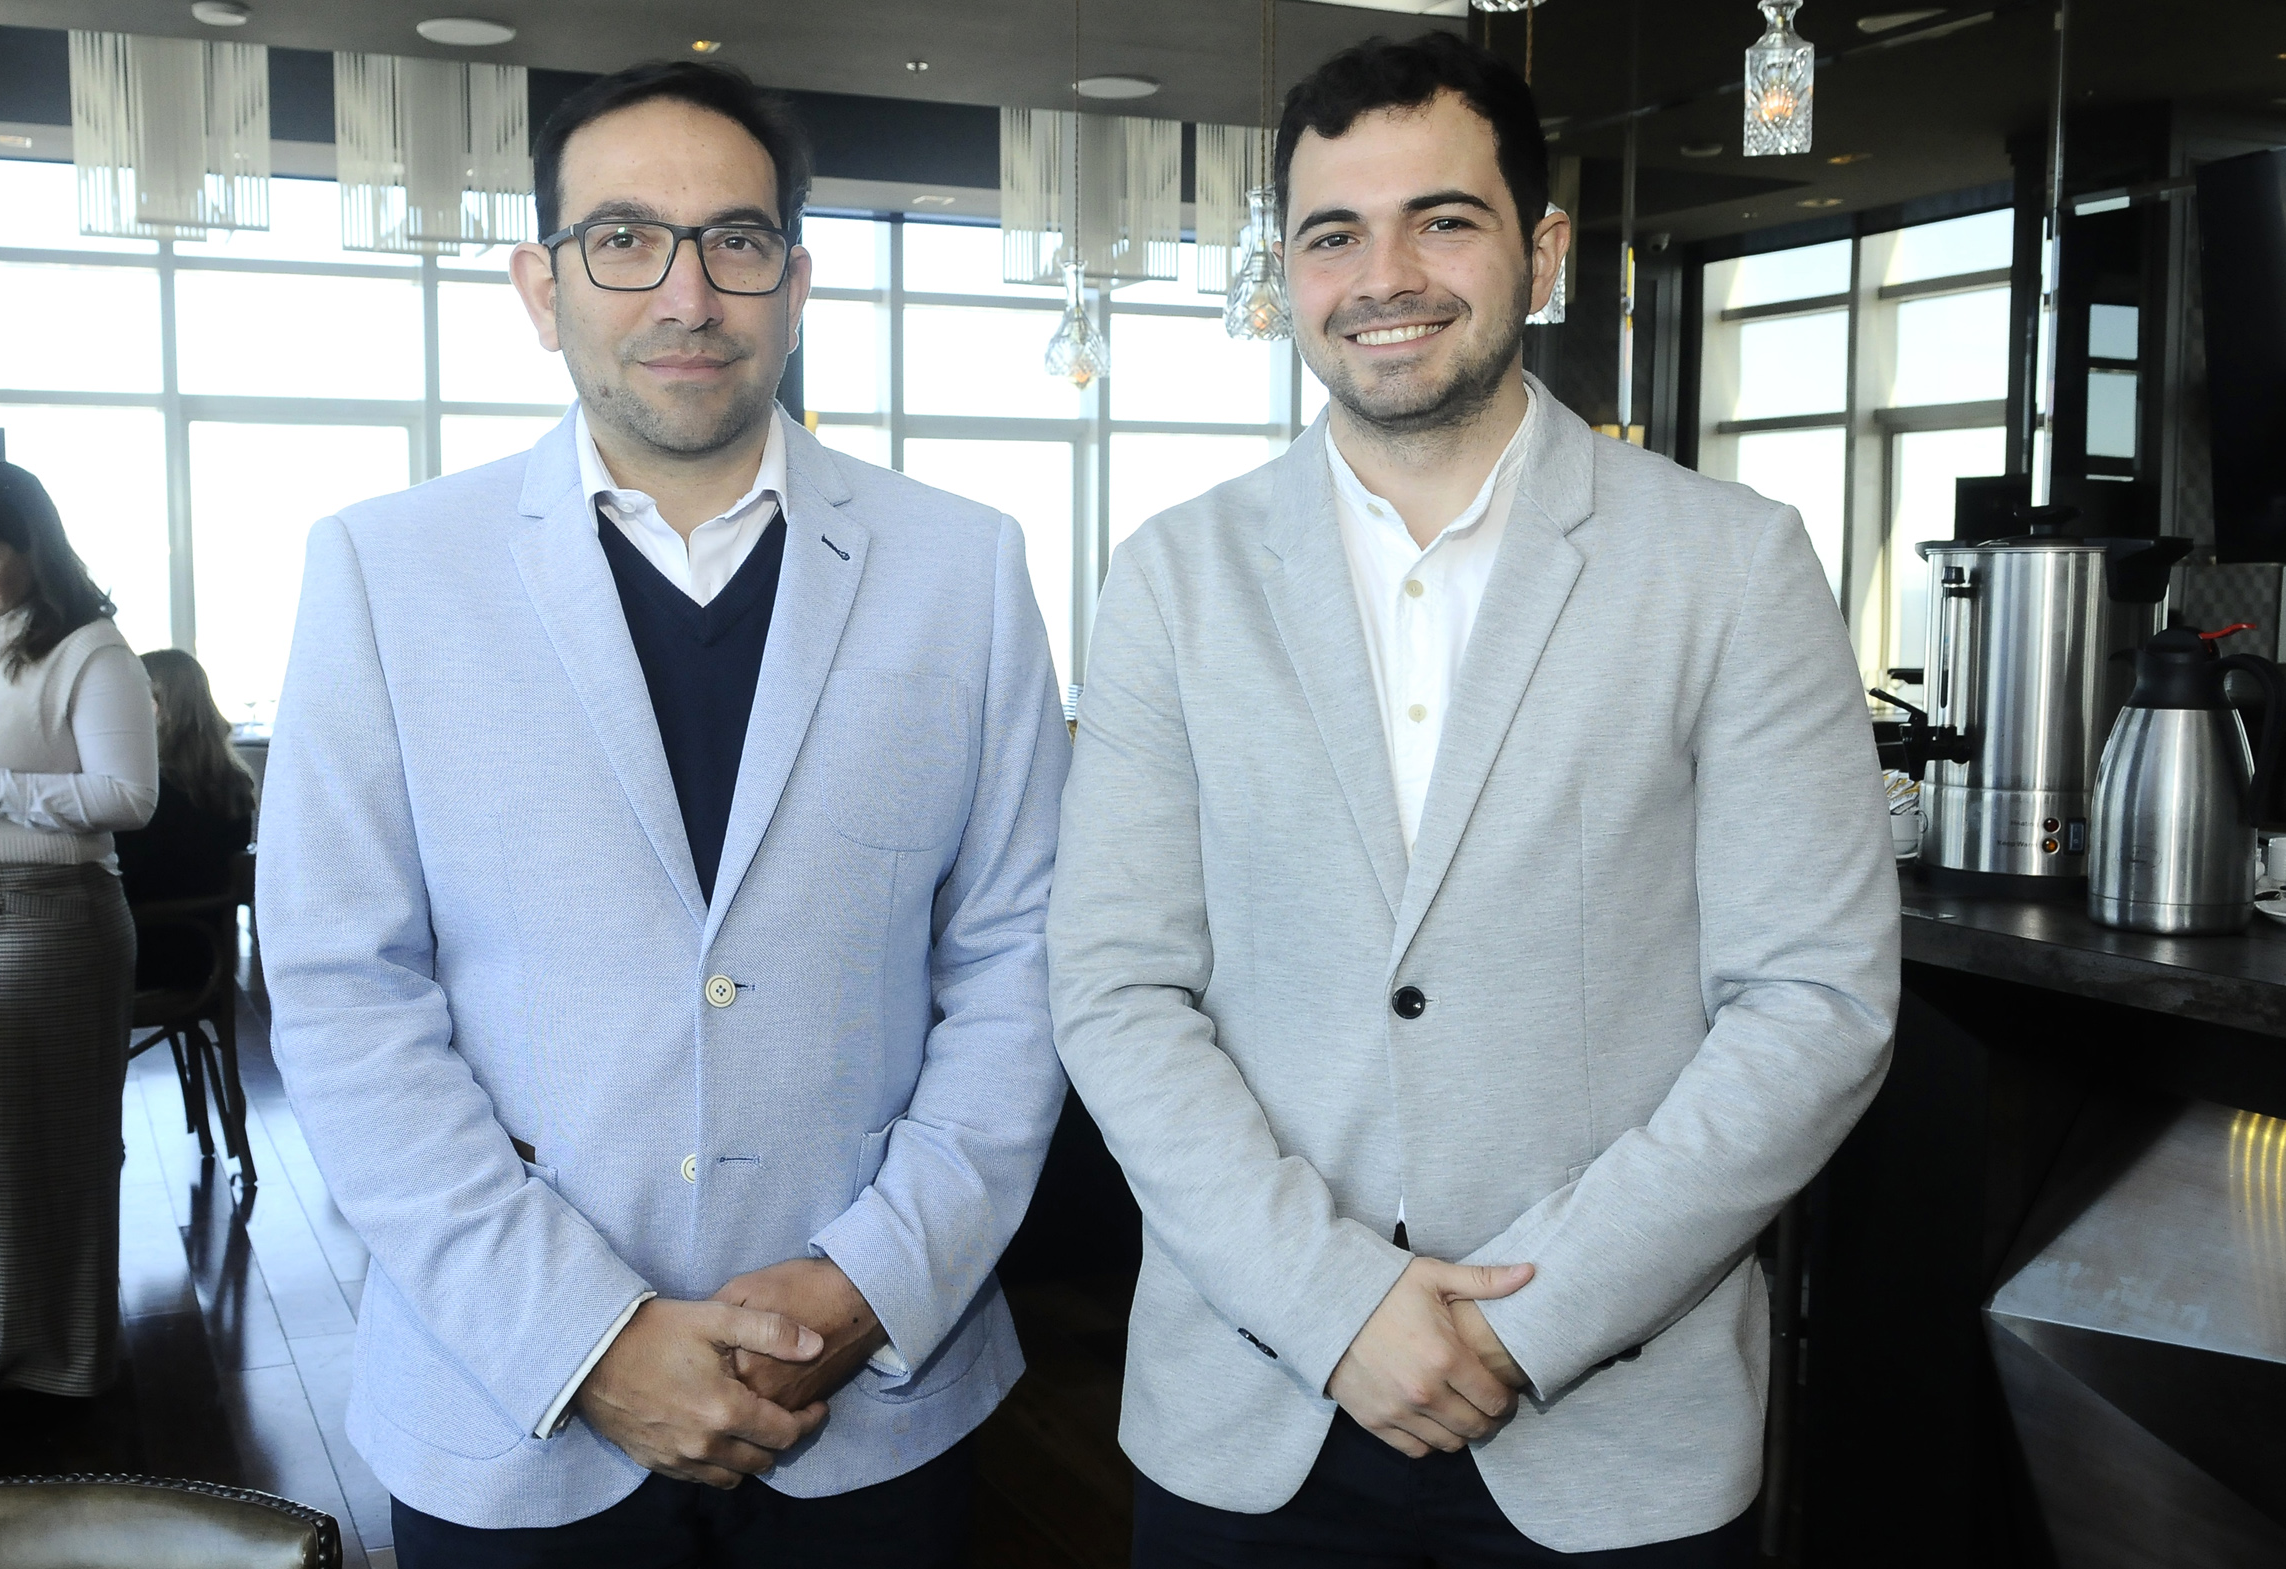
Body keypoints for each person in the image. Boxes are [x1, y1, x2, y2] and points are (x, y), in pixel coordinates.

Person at [1050, 31, 1900, 1567]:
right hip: (1251, 1409)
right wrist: (1331, 1304)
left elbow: (1811, 1003)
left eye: (1441, 219)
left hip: (1612, 1430)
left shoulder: (1732, 563)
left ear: (1543, 249)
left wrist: (1532, 1320)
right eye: (1332, 233)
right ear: (1292, 271)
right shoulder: (1171, 578)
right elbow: (1116, 990)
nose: (1386, 273)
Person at [257, 58, 1069, 1568]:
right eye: (624, 239)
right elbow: (341, 990)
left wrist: (874, 1280)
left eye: (735, 242)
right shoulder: (388, 570)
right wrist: (587, 1336)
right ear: (539, 282)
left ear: (796, 279)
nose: (685, 292)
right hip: (513, 1409)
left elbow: (1018, 959)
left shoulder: (961, 567)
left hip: (879, 1401)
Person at [0, 457, 158, 1400]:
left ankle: (52, 1363)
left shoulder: (91, 649)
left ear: (33, 547)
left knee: (38, 1152)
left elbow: (130, 798)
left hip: (38, 921)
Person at [116, 649, 256, 990]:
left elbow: (126, 879)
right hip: (206, 956)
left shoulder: (149, 791)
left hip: (144, 956)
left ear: (159, 707)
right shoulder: (234, 783)